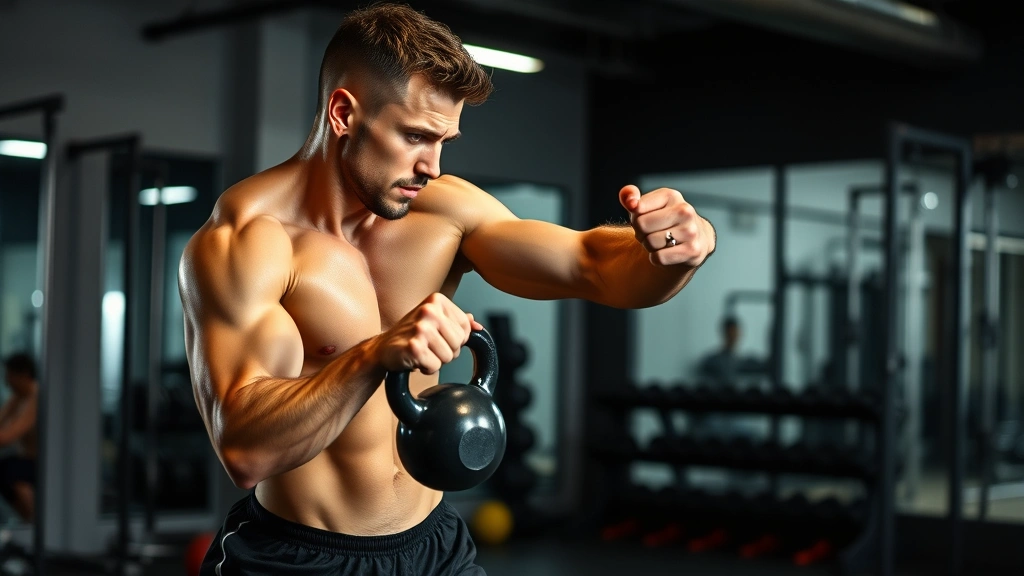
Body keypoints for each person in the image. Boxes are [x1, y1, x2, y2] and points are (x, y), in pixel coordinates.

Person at [178, 4, 716, 575]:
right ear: (343, 113)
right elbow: (244, 449)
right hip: (297, 557)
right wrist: (374, 354)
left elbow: (594, 266)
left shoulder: (443, 213)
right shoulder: (248, 241)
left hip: (434, 547)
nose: (432, 167)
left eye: (443, 141)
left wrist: (672, 252)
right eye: (415, 137)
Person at [0, 353, 38, 522]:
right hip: (25, 460)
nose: (7, 383)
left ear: (23, 374)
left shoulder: (36, 397)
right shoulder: (18, 397)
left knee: (11, 474)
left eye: (10, 376)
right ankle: (29, 520)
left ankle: (34, 522)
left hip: (40, 464)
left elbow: (7, 437)